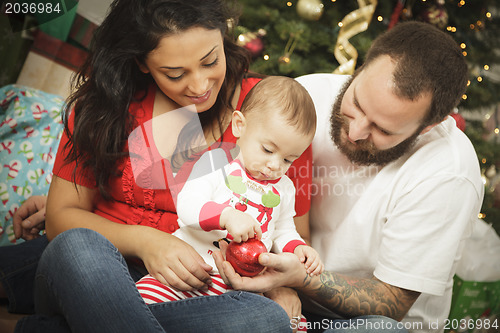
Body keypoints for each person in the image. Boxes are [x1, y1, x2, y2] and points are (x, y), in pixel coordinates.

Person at [0, 0, 313, 332]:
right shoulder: (107, 104)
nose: (199, 85)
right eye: (175, 74)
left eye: (210, 61)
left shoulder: (276, 117)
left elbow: (290, 232)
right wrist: (147, 242)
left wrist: (284, 282)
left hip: (198, 284)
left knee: (264, 319)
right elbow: (62, 217)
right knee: (80, 246)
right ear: (143, 63)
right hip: (96, 264)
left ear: (224, 36)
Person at [212, 21, 484, 333]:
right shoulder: (307, 96)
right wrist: (280, 288)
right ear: (362, 67)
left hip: (361, 321)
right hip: (276, 295)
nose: (354, 132)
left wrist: (300, 279)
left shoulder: (449, 173)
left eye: (382, 129)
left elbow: (393, 302)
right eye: (356, 103)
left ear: (426, 128)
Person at [136, 76, 323, 308]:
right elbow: (187, 205)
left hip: (242, 287)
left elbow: (283, 230)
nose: (275, 165)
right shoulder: (217, 161)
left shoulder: (284, 187)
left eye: (288, 159)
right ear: (239, 126)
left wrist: (298, 248)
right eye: (267, 149)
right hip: (188, 271)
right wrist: (227, 216)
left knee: (285, 321)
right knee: (140, 300)